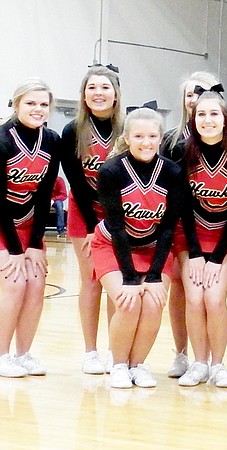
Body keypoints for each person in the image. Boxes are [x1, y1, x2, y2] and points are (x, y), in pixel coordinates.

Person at [92, 108, 183, 389]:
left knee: (154, 303)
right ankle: (118, 365)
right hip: (112, 245)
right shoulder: (110, 171)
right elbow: (117, 227)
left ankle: (138, 365)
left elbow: (168, 227)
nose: (146, 142)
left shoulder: (172, 171)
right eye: (139, 136)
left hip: (154, 247)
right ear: (127, 138)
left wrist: (155, 275)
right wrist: (130, 279)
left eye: (153, 136)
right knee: (128, 303)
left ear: (160, 138)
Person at [172, 91, 227, 388]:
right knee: (194, 299)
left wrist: (217, 257)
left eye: (214, 114)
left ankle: (218, 364)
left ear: (225, 119)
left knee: (214, 299)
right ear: (193, 120)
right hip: (190, 236)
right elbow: (182, 206)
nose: (207, 120)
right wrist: (194, 253)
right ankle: (199, 363)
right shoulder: (182, 152)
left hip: (224, 237)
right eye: (201, 115)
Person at [60, 66, 124, 374]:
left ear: (116, 94)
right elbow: (76, 182)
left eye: (105, 87)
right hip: (84, 213)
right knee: (92, 281)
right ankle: (90, 352)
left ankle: (116, 350)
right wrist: (89, 227)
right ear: (84, 95)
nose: (98, 93)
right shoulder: (73, 130)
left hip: (121, 216)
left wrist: (114, 223)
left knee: (117, 282)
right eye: (92, 88)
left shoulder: (126, 128)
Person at [0, 78, 61, 378]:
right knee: (14, 283)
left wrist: (35, 244)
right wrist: (14, 250)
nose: (38, 109)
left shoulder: (51, 141)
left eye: (43, 104)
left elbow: (44, 193)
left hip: (28, 226)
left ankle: (23, 354)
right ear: (16, 104)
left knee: (36, 282)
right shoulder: (3, 140)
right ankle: (1, 354)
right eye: (31, 103)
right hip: (2, 226)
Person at [161, 71, 219, 379]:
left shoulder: (224, 139)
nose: (196, 99)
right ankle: (182, 353)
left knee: (208, 294)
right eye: (191, 94)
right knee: (180, 290)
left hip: (213, 229)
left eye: (205, 93)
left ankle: (208, 356)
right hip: (178, 226)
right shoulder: (172, 141)